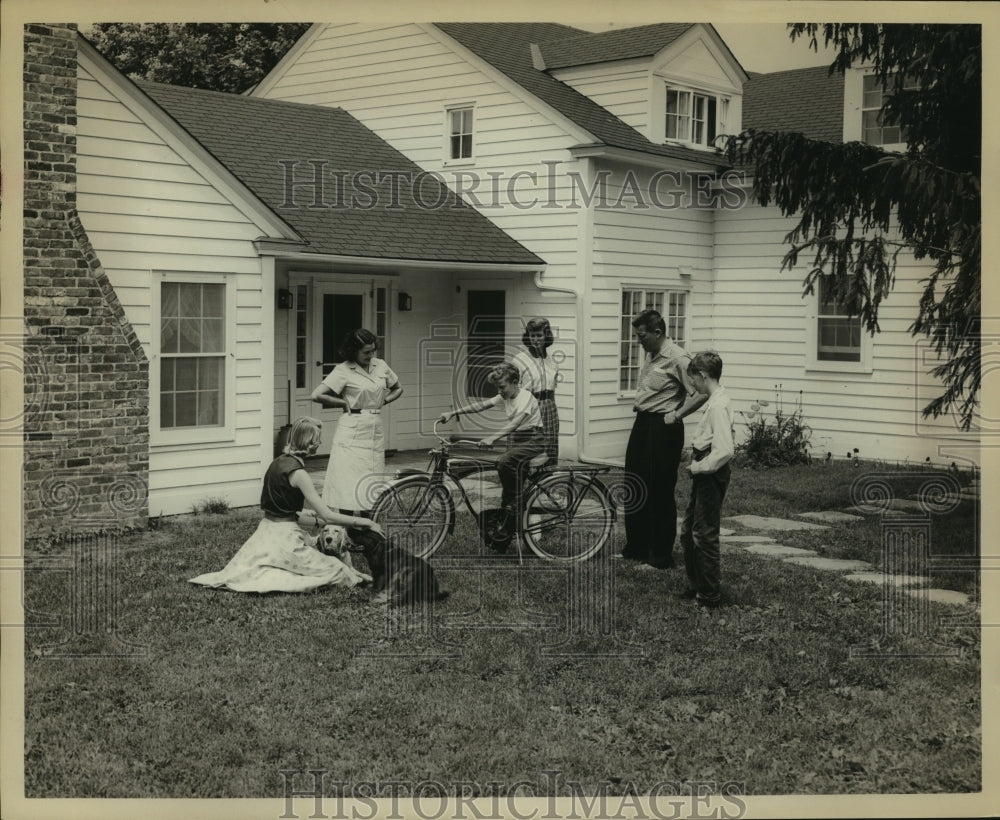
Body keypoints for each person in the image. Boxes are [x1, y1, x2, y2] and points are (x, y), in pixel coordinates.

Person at [188, 417, 381, 593]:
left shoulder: (277, 463)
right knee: (340, 571)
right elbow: (327, 515)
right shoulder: (299, 474)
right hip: (285, 540)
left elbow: (287, 513)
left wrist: (316, 522)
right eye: (316, 440)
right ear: (307, 442)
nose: (318, 445)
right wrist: (364, 522)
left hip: (265, 534)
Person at [622, 309, 707, 569]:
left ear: (658, 332)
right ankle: (636, 548)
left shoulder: (678, 358)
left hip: (663, 428)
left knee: (659, 490)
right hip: (643, 424)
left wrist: (678, 414)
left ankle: (660, 557)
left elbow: (702, 393)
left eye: (642, 336)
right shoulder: (651, 353)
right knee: (635, 486)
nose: (639, 341)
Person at [437, 362, 546, 540]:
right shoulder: (506, 396)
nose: (500, 391)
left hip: (533, 439)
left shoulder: (525, 397)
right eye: (497, 387)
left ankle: (517, 507)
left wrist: (492, 438)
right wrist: (454, 412)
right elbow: (481, 405)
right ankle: (517, 520)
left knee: (504, 463)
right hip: (517, 440)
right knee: (510, 485)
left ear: (515, 382)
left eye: (502, 386)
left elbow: (515, 423)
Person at [310, 329, 403, 516]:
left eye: (373, 351)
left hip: (374, 428)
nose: (371, 356)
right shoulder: (343, 370)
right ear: (354, 351)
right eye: (366, 352)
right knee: (348, 481)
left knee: (370, 481)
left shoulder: (381, 365)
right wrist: (343, 402)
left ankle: (367, 527)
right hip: (352, 430)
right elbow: (316, 395)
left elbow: (398, 388)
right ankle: (348, 527)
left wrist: (383, 401)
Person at [678, 352, 735, 608]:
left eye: (695, 382)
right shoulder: (715, 400)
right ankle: (696, 585)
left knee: (704, 533)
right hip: (704, 467)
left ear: (702, 376)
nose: (695, 387)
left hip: (711, 472)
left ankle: (709, 594)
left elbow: (724, 450)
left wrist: (699, 467)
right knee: (689, 530)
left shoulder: (718, 406)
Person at [512, 317, 560, 464]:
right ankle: (525, 484)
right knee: (528, 449)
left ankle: (548, 482)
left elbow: (552, 388)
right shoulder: (519, 360)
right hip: (529, 407)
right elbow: (514, 391)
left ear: (547, 336)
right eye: (532, 336)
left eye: (539, 335)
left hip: (549, 407)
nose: (536, 339)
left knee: (549, 448)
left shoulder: (552, 362)